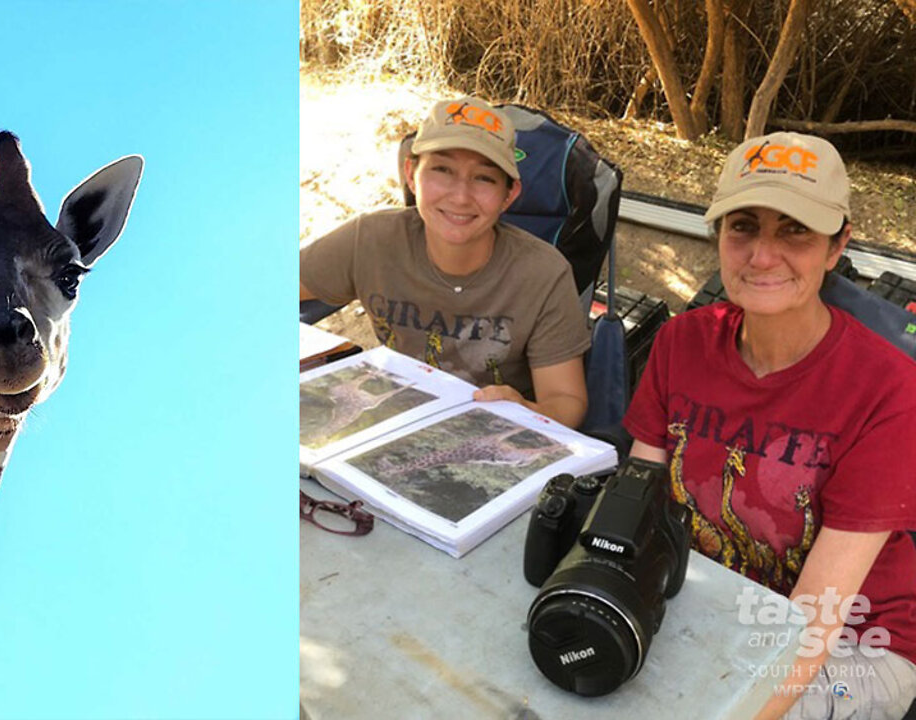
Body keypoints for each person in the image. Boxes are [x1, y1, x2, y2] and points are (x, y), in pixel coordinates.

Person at [624, 132, 916, 719]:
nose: (761, 255)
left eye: (794, 230)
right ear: (719, 236)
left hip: (856, 640)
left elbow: (816, 616)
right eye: (744, 226)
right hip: (710, 597)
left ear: (837, 248)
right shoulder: (682, 342)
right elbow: (638, 502)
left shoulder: (888, 389)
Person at [300, 97, 591, 428]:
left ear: (509, 194)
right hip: (387, 420)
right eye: (442, 170)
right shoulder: (368, 239)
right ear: (411, 174)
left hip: (489, 434)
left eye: (484, 178)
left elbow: (567, 403)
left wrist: (525, 410)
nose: (460, 196)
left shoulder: (543, 274)